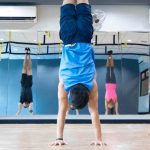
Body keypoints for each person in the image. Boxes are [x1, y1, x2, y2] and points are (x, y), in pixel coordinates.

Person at [51, 0, 105, 146]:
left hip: (85, 37)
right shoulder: (64, 86)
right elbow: (62, 112)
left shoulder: (91, 86)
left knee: (82, 1)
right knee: (68, 2)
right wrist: (59, 139)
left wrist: (99, 139)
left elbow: (94, 114)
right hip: (68, 38)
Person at [16, 48, 33, 115]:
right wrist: (30, 111)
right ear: (28, 105)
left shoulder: (21, 100)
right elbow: (31, 106)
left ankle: (26, 54)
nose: (25, 105)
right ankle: (29, 54)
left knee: (24, 67)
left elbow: (20, 104)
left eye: (24, 106)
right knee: (29, 67)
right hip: (29, 83)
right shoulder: (30, 100)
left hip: (23, 83)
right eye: (26, 106)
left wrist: (18, 112)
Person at [105, 50, 119, 115]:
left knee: (108, 69)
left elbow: (106, 108)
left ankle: (109, 56)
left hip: (107, 84)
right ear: (112, 106)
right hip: (113, 84)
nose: (109, 106)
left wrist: (106, 112)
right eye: (110, 107)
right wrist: (116, 112)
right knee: (112, 69)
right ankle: (111, 55)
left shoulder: (107, 100)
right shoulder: (114, 100)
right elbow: (116, 105)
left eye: (108, 107)